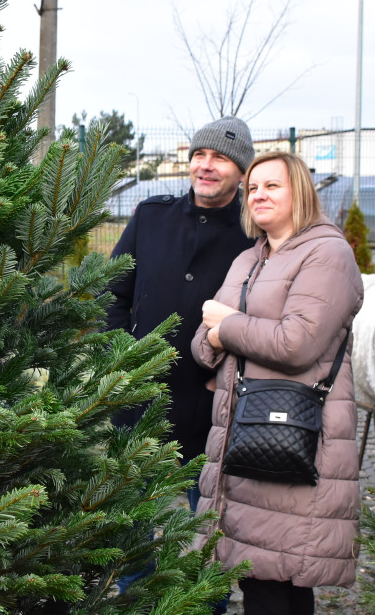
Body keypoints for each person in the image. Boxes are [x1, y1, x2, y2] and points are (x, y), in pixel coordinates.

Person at [191, 151, 363, 614]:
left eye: (273, 186)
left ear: (300, 193)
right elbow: (201, 345)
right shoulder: (249, 258)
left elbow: (297, 344)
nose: (259, 194)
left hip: (292, 433)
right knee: (257, 577)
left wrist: (228, 328)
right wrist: (222, 331)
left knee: (280, 580)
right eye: (253, 188)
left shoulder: (328, 253)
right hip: (240, 436)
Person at [107, 116, 256, 511]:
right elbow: (111, 293)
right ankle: (132, 577)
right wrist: (124, 360)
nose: (206, 165)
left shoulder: (256, 236)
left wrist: (225, 379)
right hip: (139, 397)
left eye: (221, 158)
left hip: (211, 408)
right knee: (129, 524)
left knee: (207, 527)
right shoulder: (151, 217)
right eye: (200, 155)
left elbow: (264, 319)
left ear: (242, 172)